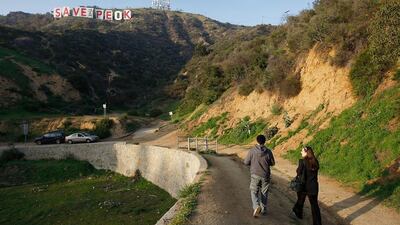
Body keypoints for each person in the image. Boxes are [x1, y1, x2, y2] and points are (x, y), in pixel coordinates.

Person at [244, 134, 275, 217]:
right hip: (265, 175)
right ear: (264, 141)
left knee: (254, 191)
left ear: (256, 141)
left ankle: (256, 206)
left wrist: (253, 162)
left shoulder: (252, 151)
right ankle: (263, 209)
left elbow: (246, 162)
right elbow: (272, 163)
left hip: (255, 174)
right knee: (264, 192)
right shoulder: (268, 151)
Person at [292, 146, 322, 225]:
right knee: (314, 206)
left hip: (304, 186)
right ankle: (317, 223)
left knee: (301, 200)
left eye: (302, 151)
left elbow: (298, 173)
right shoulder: (315, 161)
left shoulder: (302, 162)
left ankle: (298, 213)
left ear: (306, 153)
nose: (301, 152)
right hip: (313, 186)